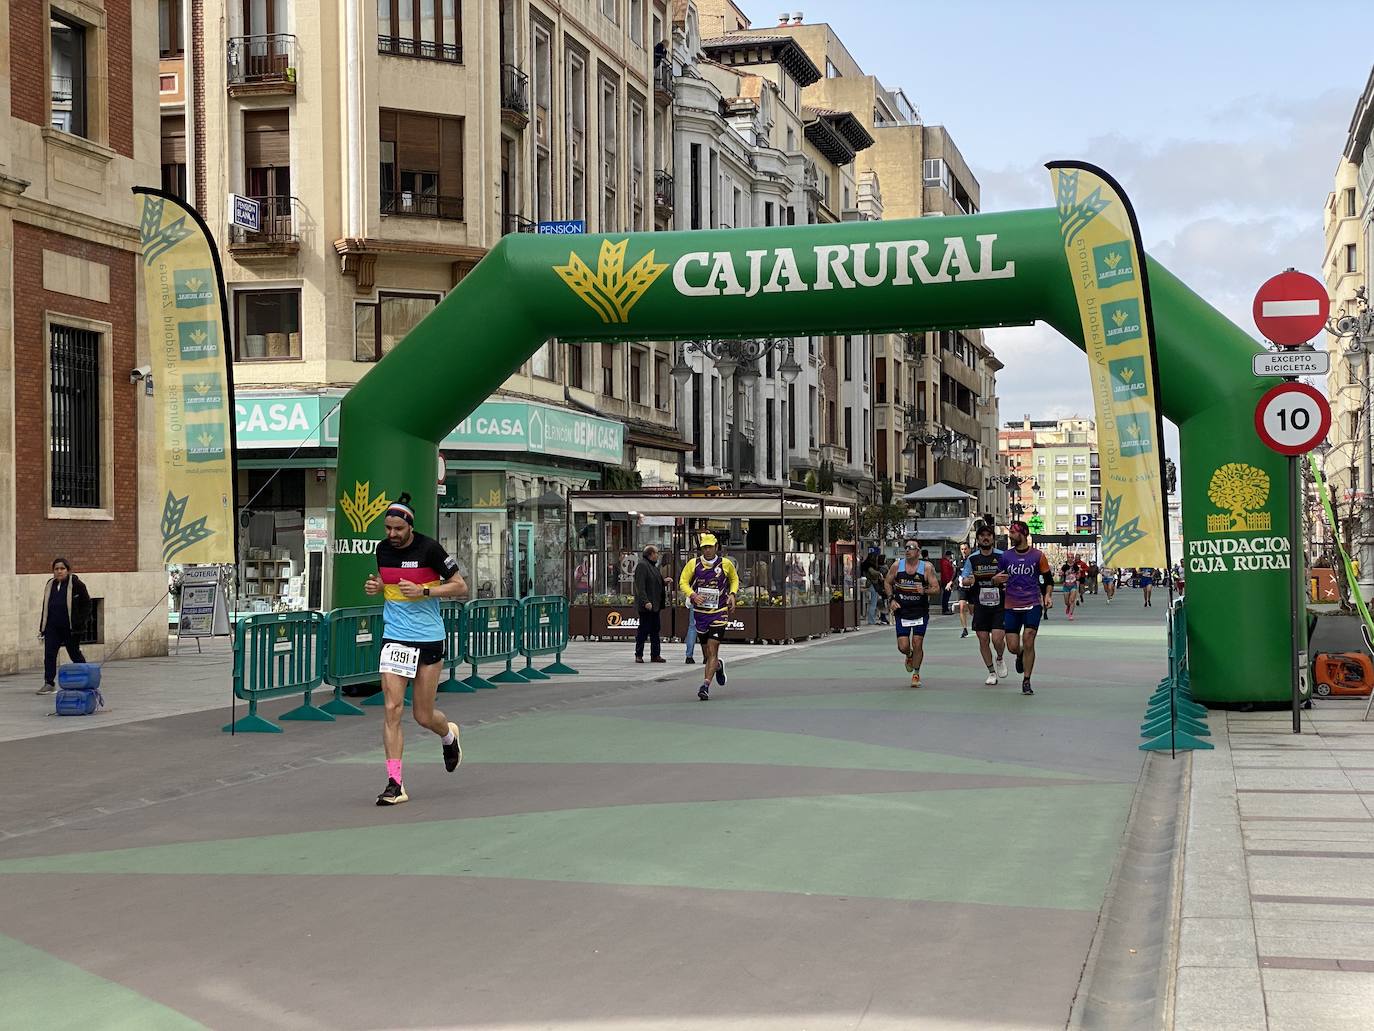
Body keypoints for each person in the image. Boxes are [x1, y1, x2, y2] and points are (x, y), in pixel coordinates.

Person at [363, 492, 469, 806]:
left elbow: (461, 586)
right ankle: (395, 783)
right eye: (387, 529)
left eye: (397, 529)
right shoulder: (382, 550)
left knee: (422, 715)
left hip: (428, 638)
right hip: (395, 637)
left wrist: (425, 590)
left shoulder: (430, 549)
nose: (392, 535)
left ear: (410, 526)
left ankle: (448, 734)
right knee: (392, 709)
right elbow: (392, 586)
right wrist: (378, 588)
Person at [994, 521, 1051, 696]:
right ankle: (1020, 655)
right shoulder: (1006, 556)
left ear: (1023, 534)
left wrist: (1047, 595)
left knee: (1028, 638)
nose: (1010, 535)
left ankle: (1026, 680)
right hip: (1011, 604)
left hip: (1032, 603)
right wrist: (996, 580)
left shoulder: (1038, 556)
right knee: (1012, 646)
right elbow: (997, 577)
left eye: (1013, 532)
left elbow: (1048, 579)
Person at [679, 533, 738, 700]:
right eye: (705, 547)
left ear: (716, 547)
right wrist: (692, 595)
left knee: (713, 649)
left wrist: (732, 594)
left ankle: (705, 686)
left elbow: (734, 579)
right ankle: (718, 666)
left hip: (719, 612)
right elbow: (682, 582)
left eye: (710, 546)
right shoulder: (693, 564)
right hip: (701, 613)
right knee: (707, 655)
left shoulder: (725, 564)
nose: (708, 550)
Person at [885, 538, 941, 688]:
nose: (908, 550)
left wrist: (925, 590)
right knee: (903, 646)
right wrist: (891, 599)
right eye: (906, 547)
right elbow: (887, 582)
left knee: (917, 643)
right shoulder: (897, 566)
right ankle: (909, 655)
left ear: (918, 551)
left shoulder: (926, 568)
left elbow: (936, 588)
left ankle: (916, 673)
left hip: (920, 611)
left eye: (911, 547)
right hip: (902, 611)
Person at [960, 525, 1007, 685]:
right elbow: (964, 579)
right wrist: (968, 580)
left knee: (998, 638)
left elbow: (1010, 575)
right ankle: (991, 672)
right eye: (982, 536)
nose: (985, 538)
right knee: (983, 638)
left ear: (993, 538)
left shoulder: (1002, 556)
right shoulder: (972, 559)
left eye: (989, 535)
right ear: (978, 539)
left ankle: (999, 657)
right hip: (980, 603)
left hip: (1000, 603)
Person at [38, 557, 91, 695]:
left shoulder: (77, 584)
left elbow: (87, 604)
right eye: (56, 569)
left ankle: (88, 677)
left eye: (62, 569)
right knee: (49, 654)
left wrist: (80, 622)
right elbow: (46, 607)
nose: (59, 571)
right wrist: (42, 627)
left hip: (70, 628)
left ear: (68, 570)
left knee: (74, 653)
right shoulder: (50, 585)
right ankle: (49, 683)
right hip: (52, 627)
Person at [632, 545, 667, 664]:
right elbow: (640, 586)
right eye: (656, 553)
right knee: (643, 630)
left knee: (655, 630)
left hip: (655, 605)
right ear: (650, 554)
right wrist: (645, 601)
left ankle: (655, 654)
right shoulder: (642, 565)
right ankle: (639, 654)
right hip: (647, 606)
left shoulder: (653, 566)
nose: (657, 555)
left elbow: (654, 582)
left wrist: (664, 582)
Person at [860, 547, 887, 626]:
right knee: (873, 603)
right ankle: (871, 620)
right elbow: (873, 573)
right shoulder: (870, 566)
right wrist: (879, 573)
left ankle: (872, 619)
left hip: (870, 585)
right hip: (872, 585)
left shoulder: (865, 565)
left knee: (873, 603)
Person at [957, 542, 973, 638]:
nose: (964, 551)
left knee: (972, 610)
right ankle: (964, 629)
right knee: (962, 607)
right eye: (962, 549)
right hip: (962, 588)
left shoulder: (973, 560)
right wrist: (950, 582)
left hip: (972, 588)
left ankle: (978, 624)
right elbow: (955, 572)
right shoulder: (958, 561)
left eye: (965, 549)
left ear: (969, 549)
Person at [1060, 556, 1081, 621]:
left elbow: (1079, 573)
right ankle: (1068, 606)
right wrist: (1064, 573)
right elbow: (1060, 573)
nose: (1070, 558)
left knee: (1072, 600)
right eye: (1069, 557)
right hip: (1066, 585)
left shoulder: (1075, 566)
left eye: (1072, 557)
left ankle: (1070, 614)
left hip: (1073, 585)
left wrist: (1077, 576)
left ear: (1073, 558)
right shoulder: (1064, 566)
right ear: (1067, 558)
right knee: (1066, 602)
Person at [939, 550, 956, 615]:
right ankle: (945, 610)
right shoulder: (945, 562)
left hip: (947, 581)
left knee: (946, 596)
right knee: (946, 596)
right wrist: (949, 582)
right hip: (946, 582)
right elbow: (946, 573)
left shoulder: (946, 562)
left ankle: (946, 609)